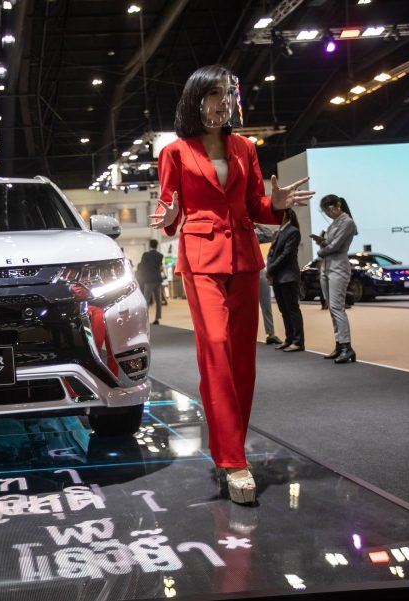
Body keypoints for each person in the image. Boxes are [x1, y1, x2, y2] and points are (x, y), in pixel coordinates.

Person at [151, 64, 314, 504]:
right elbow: (168, 212)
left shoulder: (244, 147)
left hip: (243, 257)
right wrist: (170, 217)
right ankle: (233, 460)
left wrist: (276, 204)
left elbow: (255, 204)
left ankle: (230, 449)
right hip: (201, 259)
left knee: (242, 361)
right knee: (216, 351)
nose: (223, 102)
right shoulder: (175, 153)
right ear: (195, 98)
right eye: (214, 94)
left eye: (228, 94)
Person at [312, 195, 357, 364]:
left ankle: (347, 347)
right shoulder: (333, 223)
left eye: (329, 209)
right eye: (325, 211)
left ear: (338, 205)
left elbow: (335, 246)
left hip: (338, 267)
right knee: (332, 308)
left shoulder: (347, 222)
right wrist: (322, 242)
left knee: (337, 308)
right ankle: (339, 345)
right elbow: (330, 245)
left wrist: (321, 249)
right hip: (327, 266)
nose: (328, 213)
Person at [267, 208, 304, 352]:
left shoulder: (293, 231)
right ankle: (289, 339)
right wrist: (270, 269)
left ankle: (298, 341)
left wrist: (270, 269)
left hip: (288, 276)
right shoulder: (278, 232)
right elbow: (271, 254)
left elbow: (286, 255)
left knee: (292, 310)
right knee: (284, 310)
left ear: (285, 215)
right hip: (277, 276)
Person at [254, 224, 282, 345]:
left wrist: (257, 224)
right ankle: (246, 334)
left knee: (266, 305)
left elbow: (270, 235)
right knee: (247, 308)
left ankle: (271, 334)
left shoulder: (254, 234)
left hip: (259, 270)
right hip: (244, 273)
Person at [137, 239, 164, 325]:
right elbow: (160, 268)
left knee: (146, 300)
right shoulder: (160, 255)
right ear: (157, 246)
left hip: (149, 280)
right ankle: (157, 318)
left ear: (150, 245)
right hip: (158, 279)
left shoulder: (146, 255)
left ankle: (145, 319)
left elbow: (141, 266)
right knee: (158, 300)